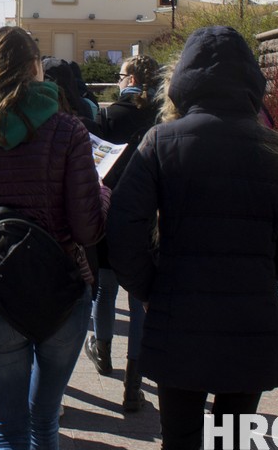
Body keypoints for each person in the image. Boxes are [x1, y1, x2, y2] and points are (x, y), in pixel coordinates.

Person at [108, 26, 278, 450]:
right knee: (232, 438)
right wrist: (256, 275)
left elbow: (124, 229)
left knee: (179, 437)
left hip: (178, 311)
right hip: (250, 316)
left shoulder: (161, 142)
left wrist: (148, 288)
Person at [0, 26, 106, 450]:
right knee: (44, 422)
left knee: (7, 429)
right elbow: (88, 228)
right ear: (36, 66)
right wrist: (103, 195)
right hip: (63, 287)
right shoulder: (68, 131)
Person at [85, 54, 160, 413]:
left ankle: (102, 352)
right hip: (147, 218)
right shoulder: (164, 118)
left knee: (105, 286)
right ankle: (134, 383)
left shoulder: (108, 116)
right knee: (140, 296)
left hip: (109, 213)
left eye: (119, 75)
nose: (117, 81)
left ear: (130, 79)